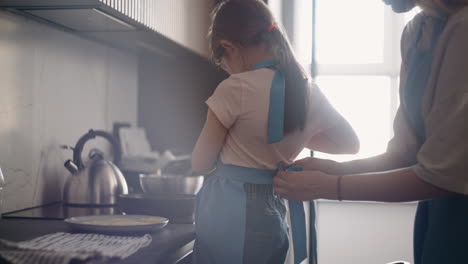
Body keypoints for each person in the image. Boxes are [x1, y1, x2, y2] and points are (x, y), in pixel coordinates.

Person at [273, 0, 468, 263]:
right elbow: (406, 153)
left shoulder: (463, 30)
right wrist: (335, 169)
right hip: (435, 218)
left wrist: (329, 186)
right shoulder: (416, 32)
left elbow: (440, 175)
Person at [191, 0, 359, 263]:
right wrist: (299, 136)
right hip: (273, 206)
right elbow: (349, 144)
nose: (227, 70)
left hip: (227, 211)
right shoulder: (308, 89)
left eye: (223, 63)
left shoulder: (235, 88)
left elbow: (200, 163)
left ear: (228, 47)